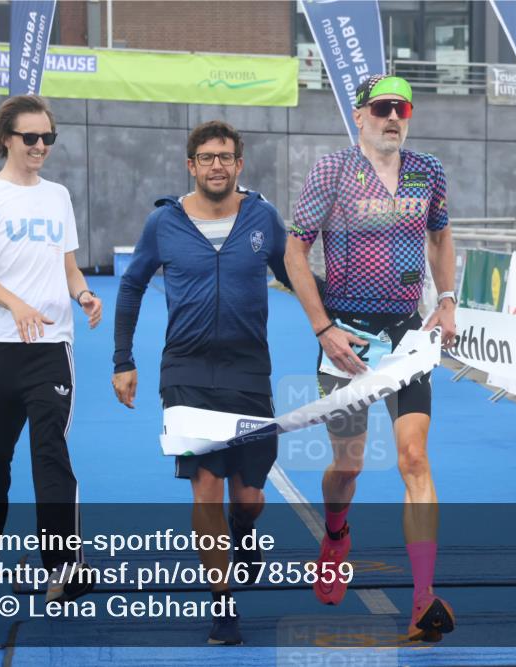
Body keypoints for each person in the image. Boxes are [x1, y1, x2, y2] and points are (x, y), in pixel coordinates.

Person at [285, 75, 458, 641]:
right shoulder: (331, 171)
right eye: (382, 107)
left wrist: (448, 301)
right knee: (349, 468)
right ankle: (336, 534)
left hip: (408, 334)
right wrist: (323, 328)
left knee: (414, 460)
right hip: (349, 340)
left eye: (401, 108)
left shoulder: (427, 170)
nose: (393, 116)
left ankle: (424, 598)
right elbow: (295, 249)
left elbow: (441, 236)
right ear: (358, 116)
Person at [113, 120, 291, 646]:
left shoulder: (263, 217)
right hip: (186, 372)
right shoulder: (164, 223)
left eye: (226, 157)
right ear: (191, 165)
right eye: (207, 157)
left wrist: (338, 324)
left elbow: (296, 275)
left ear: (240, 165)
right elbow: (131, 287)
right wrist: (123, 360)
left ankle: (246, 532)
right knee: (206, 488)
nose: (217, 165)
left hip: (248, 370)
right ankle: (223, 603)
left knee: (250, 497)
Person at [0, 94, 102, 604]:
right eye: (31, 138)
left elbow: (68, 267)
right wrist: (16, 305)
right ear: (6, 140)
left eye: (48, 138)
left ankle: (64, 563)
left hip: (50, 347)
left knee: (50, 453)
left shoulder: (57, 195)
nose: (41, 146)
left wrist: (82, 293)